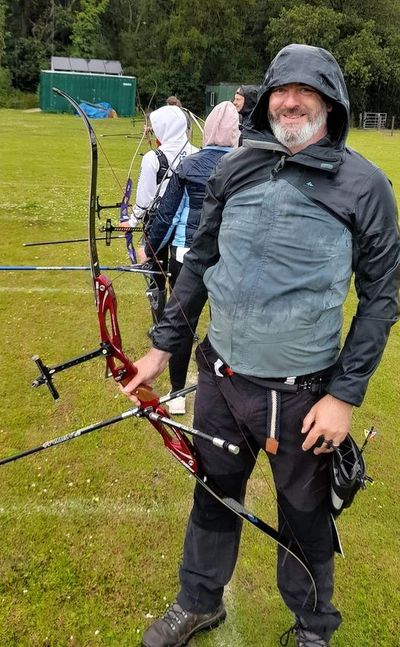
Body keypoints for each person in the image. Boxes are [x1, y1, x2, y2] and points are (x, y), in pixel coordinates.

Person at [122, 44, 400, 647]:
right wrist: (161, 349)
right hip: (221, 379)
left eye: (307, 92)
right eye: (281, 90)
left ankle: (313, 627)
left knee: (304, 520)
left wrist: (344, 396)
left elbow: (381, 299)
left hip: (300, 397)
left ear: (331, 103)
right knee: (213, 497)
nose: (292, 101)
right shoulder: (236, 167)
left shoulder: (365, 187)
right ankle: (199, 602)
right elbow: (197, 262)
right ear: (267, 98)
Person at [140, 101, 240, 414]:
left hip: (186, 256)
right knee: (227, 323)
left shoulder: (189, 165)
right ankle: (222, 393)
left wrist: (150, 247)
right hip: (229, 261)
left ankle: (178, 392)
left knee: (184, 320)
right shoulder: (246, 166)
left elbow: (166, 216)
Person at [128, 105, 198, 328]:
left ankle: (161, 326)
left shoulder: (153, 158)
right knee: (180, 278)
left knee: (156, 276)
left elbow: (144, 200)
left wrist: (131, 222)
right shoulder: (199, 153)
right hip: (186, 228)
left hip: (159, 225)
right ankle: (178, 325)